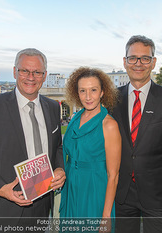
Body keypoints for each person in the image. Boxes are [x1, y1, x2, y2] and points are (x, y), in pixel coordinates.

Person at [0, 48, 65, 231]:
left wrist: (59, 168)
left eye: (37, 72)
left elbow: (57, 147)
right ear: (14, 71)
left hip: (41, 209)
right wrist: (1, 189)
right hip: (1, 210)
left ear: (44, 75)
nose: (30, 77)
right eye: (24, 70)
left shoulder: (52, 107)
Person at [111, 35, 162, 233]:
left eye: (145, 58)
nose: (138, 64)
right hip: (121, 194)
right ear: (124, 61)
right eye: (133, 58)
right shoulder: (111, 99)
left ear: (153, 62)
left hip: (158, 195)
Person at [59, 67, 121, 223]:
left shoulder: (109, 125)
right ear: (76, 93)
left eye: (93, 90)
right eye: (82, 91)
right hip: (72, 186)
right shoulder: (76, 117)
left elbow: (113, 175)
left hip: (94, 189)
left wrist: (106, 216)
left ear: (102, 92)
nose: (88, 97)